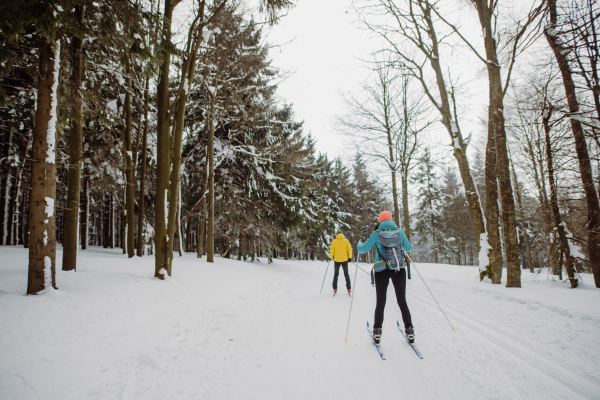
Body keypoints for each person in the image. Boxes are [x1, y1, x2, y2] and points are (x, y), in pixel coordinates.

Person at [357, 210, 414, 344]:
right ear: (391, 219)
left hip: (382, 270)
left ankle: (377, 333)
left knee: (381, 302)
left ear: (380, 221)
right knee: (402, 301)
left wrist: (359, 243)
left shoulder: (377, 233)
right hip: (399, 269)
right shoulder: (399, 232)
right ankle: (410, 331)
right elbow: (409, 248)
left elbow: (362, 249)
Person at [329, 232, 353, 296]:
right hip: (344, 260)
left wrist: (330, 257)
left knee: (336, 274)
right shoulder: (346, 241)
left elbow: (332, 250)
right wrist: (350, 257)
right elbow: (350, 249)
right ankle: (349, 288)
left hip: (336, 260)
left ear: (337, 235)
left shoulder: (334, 241)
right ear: (342, 235)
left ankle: (335, 288)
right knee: (346, 274)